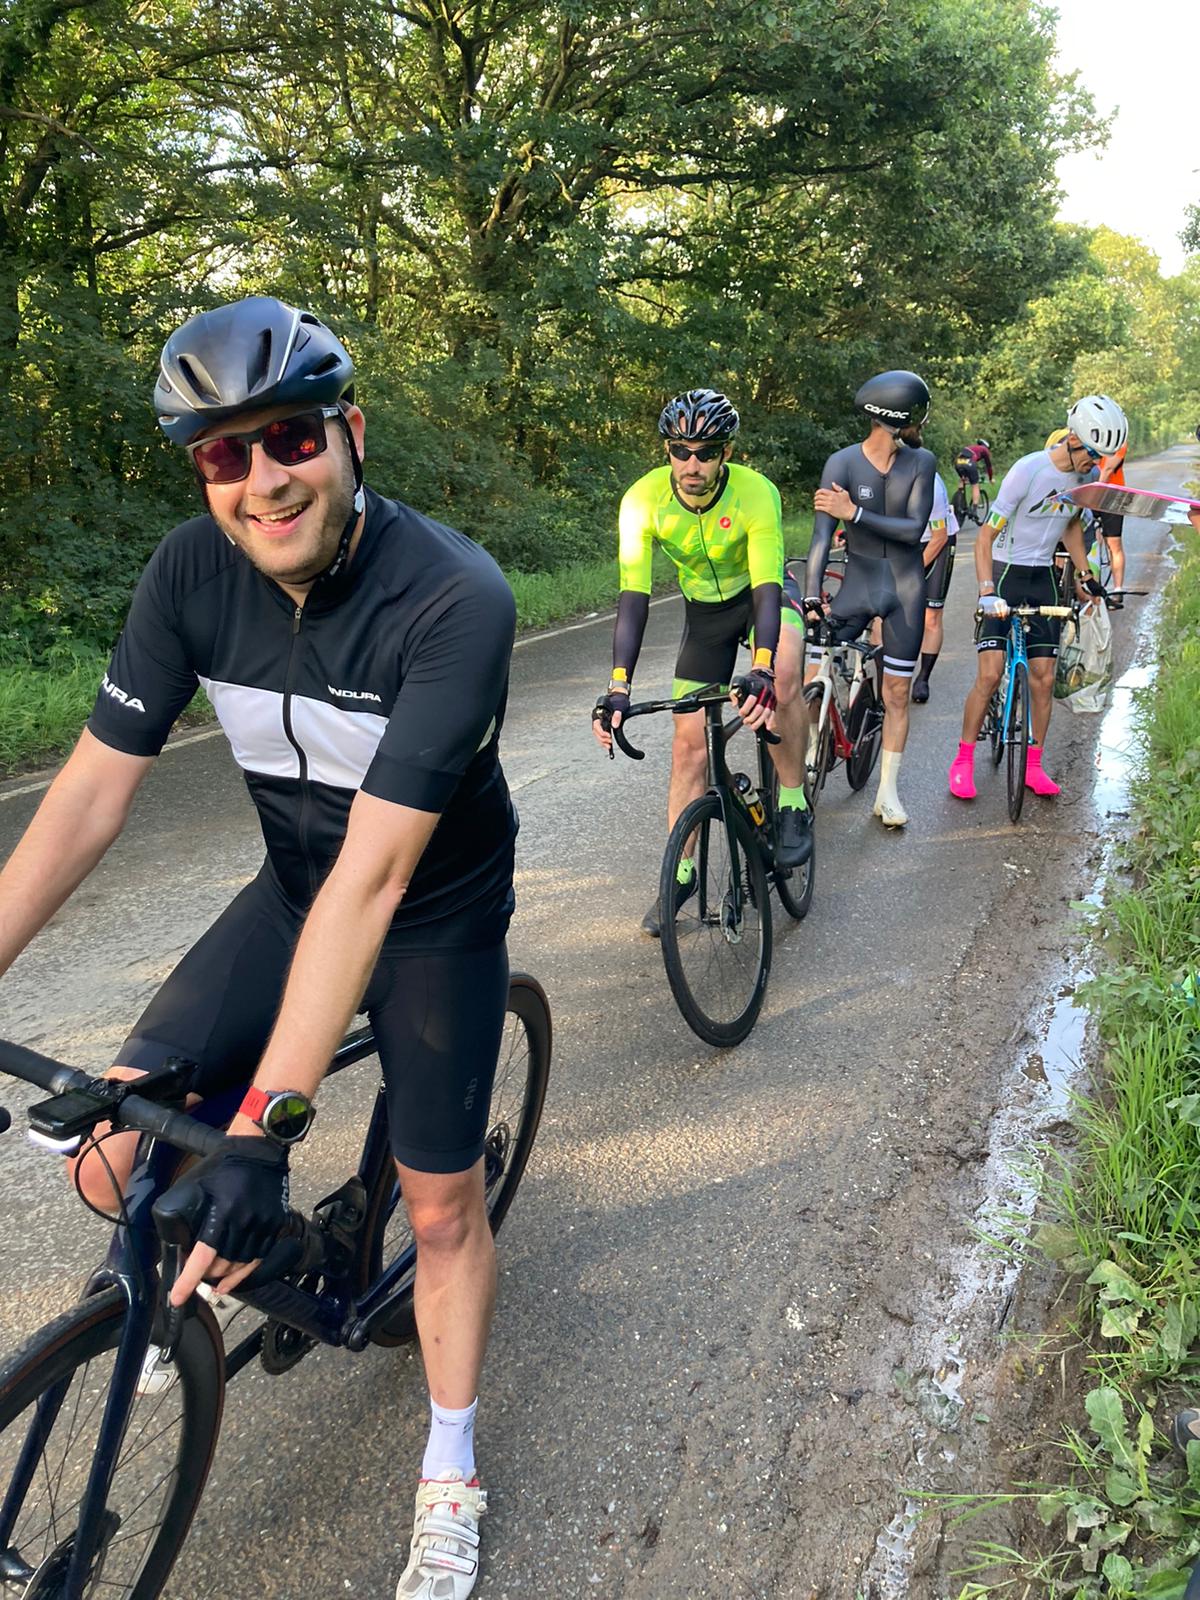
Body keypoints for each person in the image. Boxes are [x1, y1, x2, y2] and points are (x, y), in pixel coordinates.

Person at [0, 296, 518, 1600]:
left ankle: (451, 1464)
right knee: (114, 1161)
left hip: (432, 910)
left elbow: (378, 877)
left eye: (289, 438)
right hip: (292, 892)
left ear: (350, 434)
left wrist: (263, 1127)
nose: (263, 479)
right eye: (224, 455)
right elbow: (88, 797)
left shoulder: (454, 599)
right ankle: (273, 1258)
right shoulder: (189, 573)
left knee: (442, 1205)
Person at [591, 389, 811, 936]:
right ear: (667, 450)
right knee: (688, 744)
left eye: (706, 452)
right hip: (706, 616)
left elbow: (766, 585)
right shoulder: (642, 500)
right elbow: (633, 597)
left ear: (725, 453)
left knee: (784, 677)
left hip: (762, 599)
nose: (692, 464)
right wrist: (618, 685)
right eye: (680, 451)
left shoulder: (754, 492)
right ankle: (682, 871)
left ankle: (792, 800)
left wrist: (762, 667)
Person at [948, 394, 1126, 802]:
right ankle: (963, 760)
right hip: (1004, 574)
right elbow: (985, 537)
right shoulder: (1028, 470)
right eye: (1093, 454)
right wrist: (986, 592)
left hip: (1043, 577)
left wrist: (1085, 575)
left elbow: (1071, 526)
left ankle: (1033, 766)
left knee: (1043, 678)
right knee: (990, 675)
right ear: (1074, 440)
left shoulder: (1085, 478)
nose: (1095, 463)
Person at [802, 370, 937, 826]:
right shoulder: (841, 463)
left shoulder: (922, 463)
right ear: (897, 419)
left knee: (896, 692)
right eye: (916, 417)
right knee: (813, 670)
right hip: (857, 584)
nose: (920, 425)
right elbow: (821, 537)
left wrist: (854, 512)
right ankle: (804, 763)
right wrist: (811, 596)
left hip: (904, 588)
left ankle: (887, 793)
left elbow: (913, 530)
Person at [910, 464, 960, 704]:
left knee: (931, 616)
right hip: (903, 543)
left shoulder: (931, 483)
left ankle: (923, 677)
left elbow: (939, 537)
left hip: (937, 541)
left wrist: (912, 572)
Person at [952, 437, 993, 520]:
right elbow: (989, 466)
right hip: (969, 463)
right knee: (975, 485)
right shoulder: (984, 449)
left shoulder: (972, 447)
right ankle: (974, 510)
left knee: (962, 480)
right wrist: (991, 478)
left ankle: (959, 502)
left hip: (958, 463)